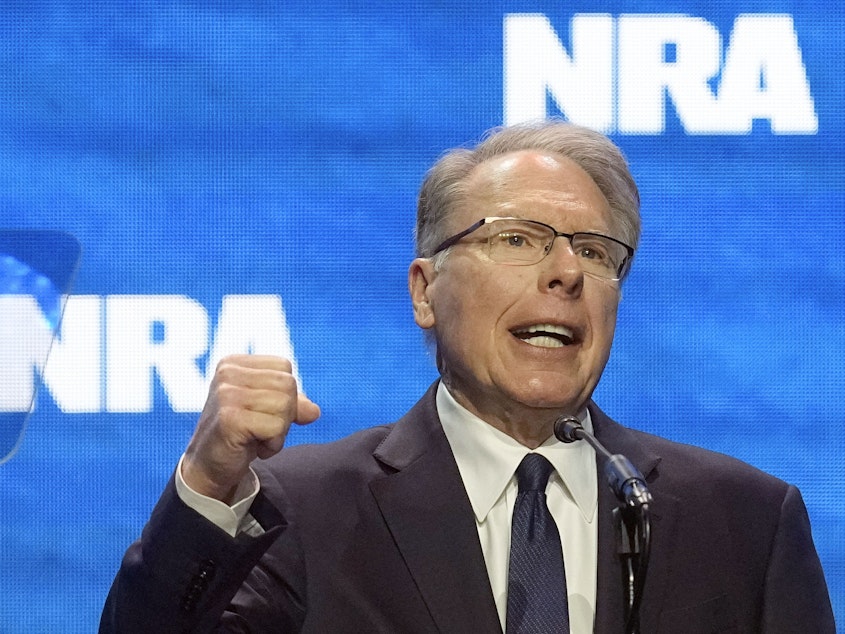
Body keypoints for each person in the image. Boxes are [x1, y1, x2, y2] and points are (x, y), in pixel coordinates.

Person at [101, 120, 835, 633]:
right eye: (517, 239)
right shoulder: (305, 512)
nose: (566, 273)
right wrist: (205, 484)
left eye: (596, 250)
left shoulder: (742, 522)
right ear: (424, 290)